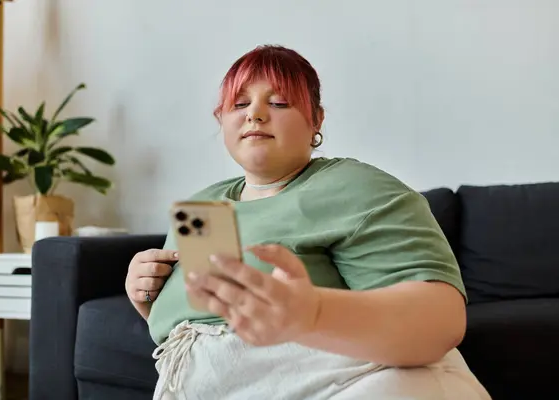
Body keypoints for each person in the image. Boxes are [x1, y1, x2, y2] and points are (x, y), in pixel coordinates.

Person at [125, 44, 491, 400]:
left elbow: (439, 319)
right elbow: (199, 319)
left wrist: (312, 314)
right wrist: (150, 300)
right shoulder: (200, 206)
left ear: (316, 120)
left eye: (279, 102)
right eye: (239, 104)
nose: (254, 113)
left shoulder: (355, 187)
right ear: (221, 120)